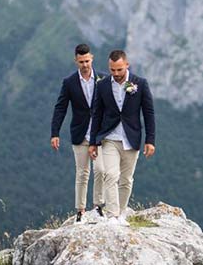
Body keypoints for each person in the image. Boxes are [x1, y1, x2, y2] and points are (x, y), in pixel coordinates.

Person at [89, 49, 156, 221]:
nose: (116, 73)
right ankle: (112, 216)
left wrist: (150, 140)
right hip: (109, 138)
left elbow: (148, 113)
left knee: (126, 180)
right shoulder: (102, 85)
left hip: (131, 138)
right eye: (112, 70)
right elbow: (97, 114)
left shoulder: (140, 84)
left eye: (119, 69)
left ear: (127, 65)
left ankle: (121, 213)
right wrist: (92, 142)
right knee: (110, 175)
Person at [50, 43, 103, 221]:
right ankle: (80, 211)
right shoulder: (69, 82)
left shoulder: (103, 78)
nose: (85, 65)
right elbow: (60, 108)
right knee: (82, 173)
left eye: (87, 61)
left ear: (92, 58)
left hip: (99, 133)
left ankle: (98, 207)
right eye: (81, 62)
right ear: (76, 61)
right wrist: (55, 132)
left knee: (101, 170)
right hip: (80, 133)